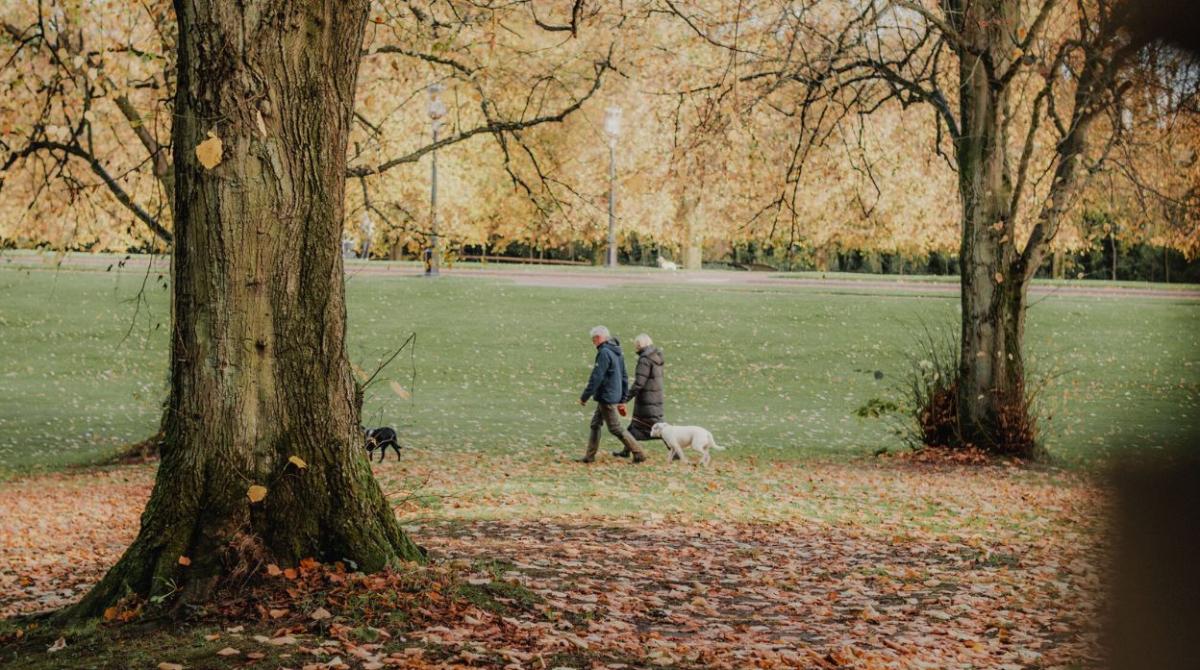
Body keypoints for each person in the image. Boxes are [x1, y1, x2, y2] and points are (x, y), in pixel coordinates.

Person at [577, 326, 647, 464]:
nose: (593, 342)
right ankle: (589, 456)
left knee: (615, 428)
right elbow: (624, 377)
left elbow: (596, 377)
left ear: (598, 337)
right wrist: (622, 398)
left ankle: (639, 453)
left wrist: (585, 396)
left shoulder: (604, 353)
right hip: (611, 395)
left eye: (593, 339)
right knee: (595, 424)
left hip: (606, 397)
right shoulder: (617, 352)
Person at [613, 333, 665, 458]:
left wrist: (625, 398)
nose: (635, 347)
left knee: (659, 427)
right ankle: (627, 450)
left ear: (639, 345)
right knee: (634, 427)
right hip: (655, 397)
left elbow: (639, 383)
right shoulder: (656, 357)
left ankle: (675, 450)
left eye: (636, 345)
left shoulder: (645, 359)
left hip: (647, 400)